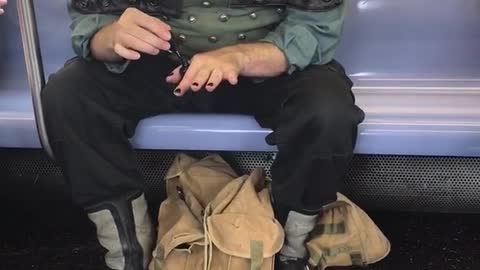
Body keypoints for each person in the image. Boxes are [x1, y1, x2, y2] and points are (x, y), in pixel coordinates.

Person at [42, 0, 365, 269]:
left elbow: (315, 29)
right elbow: (91, 27)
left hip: (267, 62)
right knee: (69, 94)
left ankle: (289, 253)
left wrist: (239, 57)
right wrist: (111, 36)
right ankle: (127, 253)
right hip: (159, 65)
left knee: (327, 111)